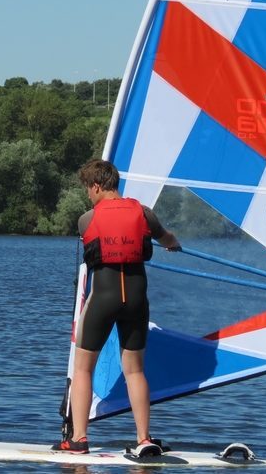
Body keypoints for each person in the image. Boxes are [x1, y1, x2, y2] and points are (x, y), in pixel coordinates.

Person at [53, 159, 180, 456]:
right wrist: (173, 243)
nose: (87, 195)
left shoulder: (86, 219)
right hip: (136, 299)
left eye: (88, 189)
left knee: (83, 369)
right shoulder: (146, 214)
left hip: (103, 300)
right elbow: (167, 238)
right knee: (135, 370)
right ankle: (144, 438)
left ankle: (79, 439)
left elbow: (93, 240)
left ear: (96, 186)